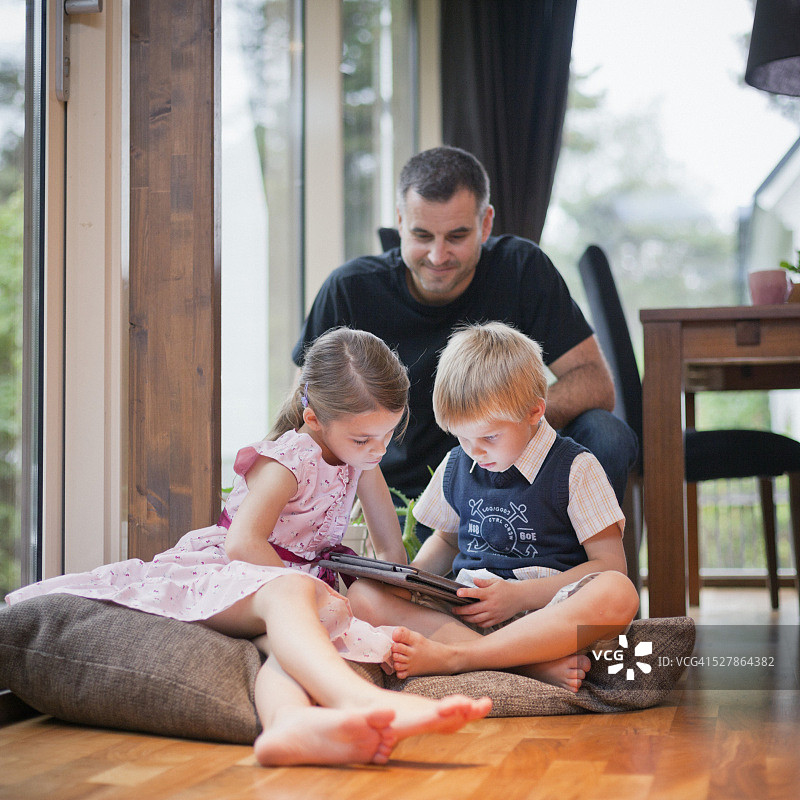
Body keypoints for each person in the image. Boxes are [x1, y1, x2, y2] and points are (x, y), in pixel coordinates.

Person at [5, 328, 491, 768]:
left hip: (290, 587)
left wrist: (391, 585)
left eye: (389, 434)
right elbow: (242, 543)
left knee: (296, 642)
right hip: (233, 570)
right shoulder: (288, 460)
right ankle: (360, 702)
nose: (378, 449)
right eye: (364, 437)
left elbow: (390, 549)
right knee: (292, 599)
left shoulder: (361, 459)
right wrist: (304, 587)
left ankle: (288, 726)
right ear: (314, 418)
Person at [293, 146, 638, 513]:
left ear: (486, 223)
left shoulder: (522, 270)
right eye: (422, 235)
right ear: (399, 220)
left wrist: (502, 427)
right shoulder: (350, 289)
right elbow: (303, 407)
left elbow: (595, 382)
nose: (438, 255)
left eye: (456, 236)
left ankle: (581, 565)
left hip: (514, 483)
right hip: (398, 496)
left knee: (607, 434)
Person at [347, 322, 640, 691]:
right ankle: (527, 668)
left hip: (547, 617)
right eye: (462, 437)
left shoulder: (575, 469)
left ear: (535, 412)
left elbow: (611, 565)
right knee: (362, 595)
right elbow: (448, 540)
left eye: (489, 436)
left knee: (617, 592)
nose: (475, 451)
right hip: (466, 613)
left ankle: (460, 658)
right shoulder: (458, 463)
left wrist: (518, 596)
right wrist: (414, 580)